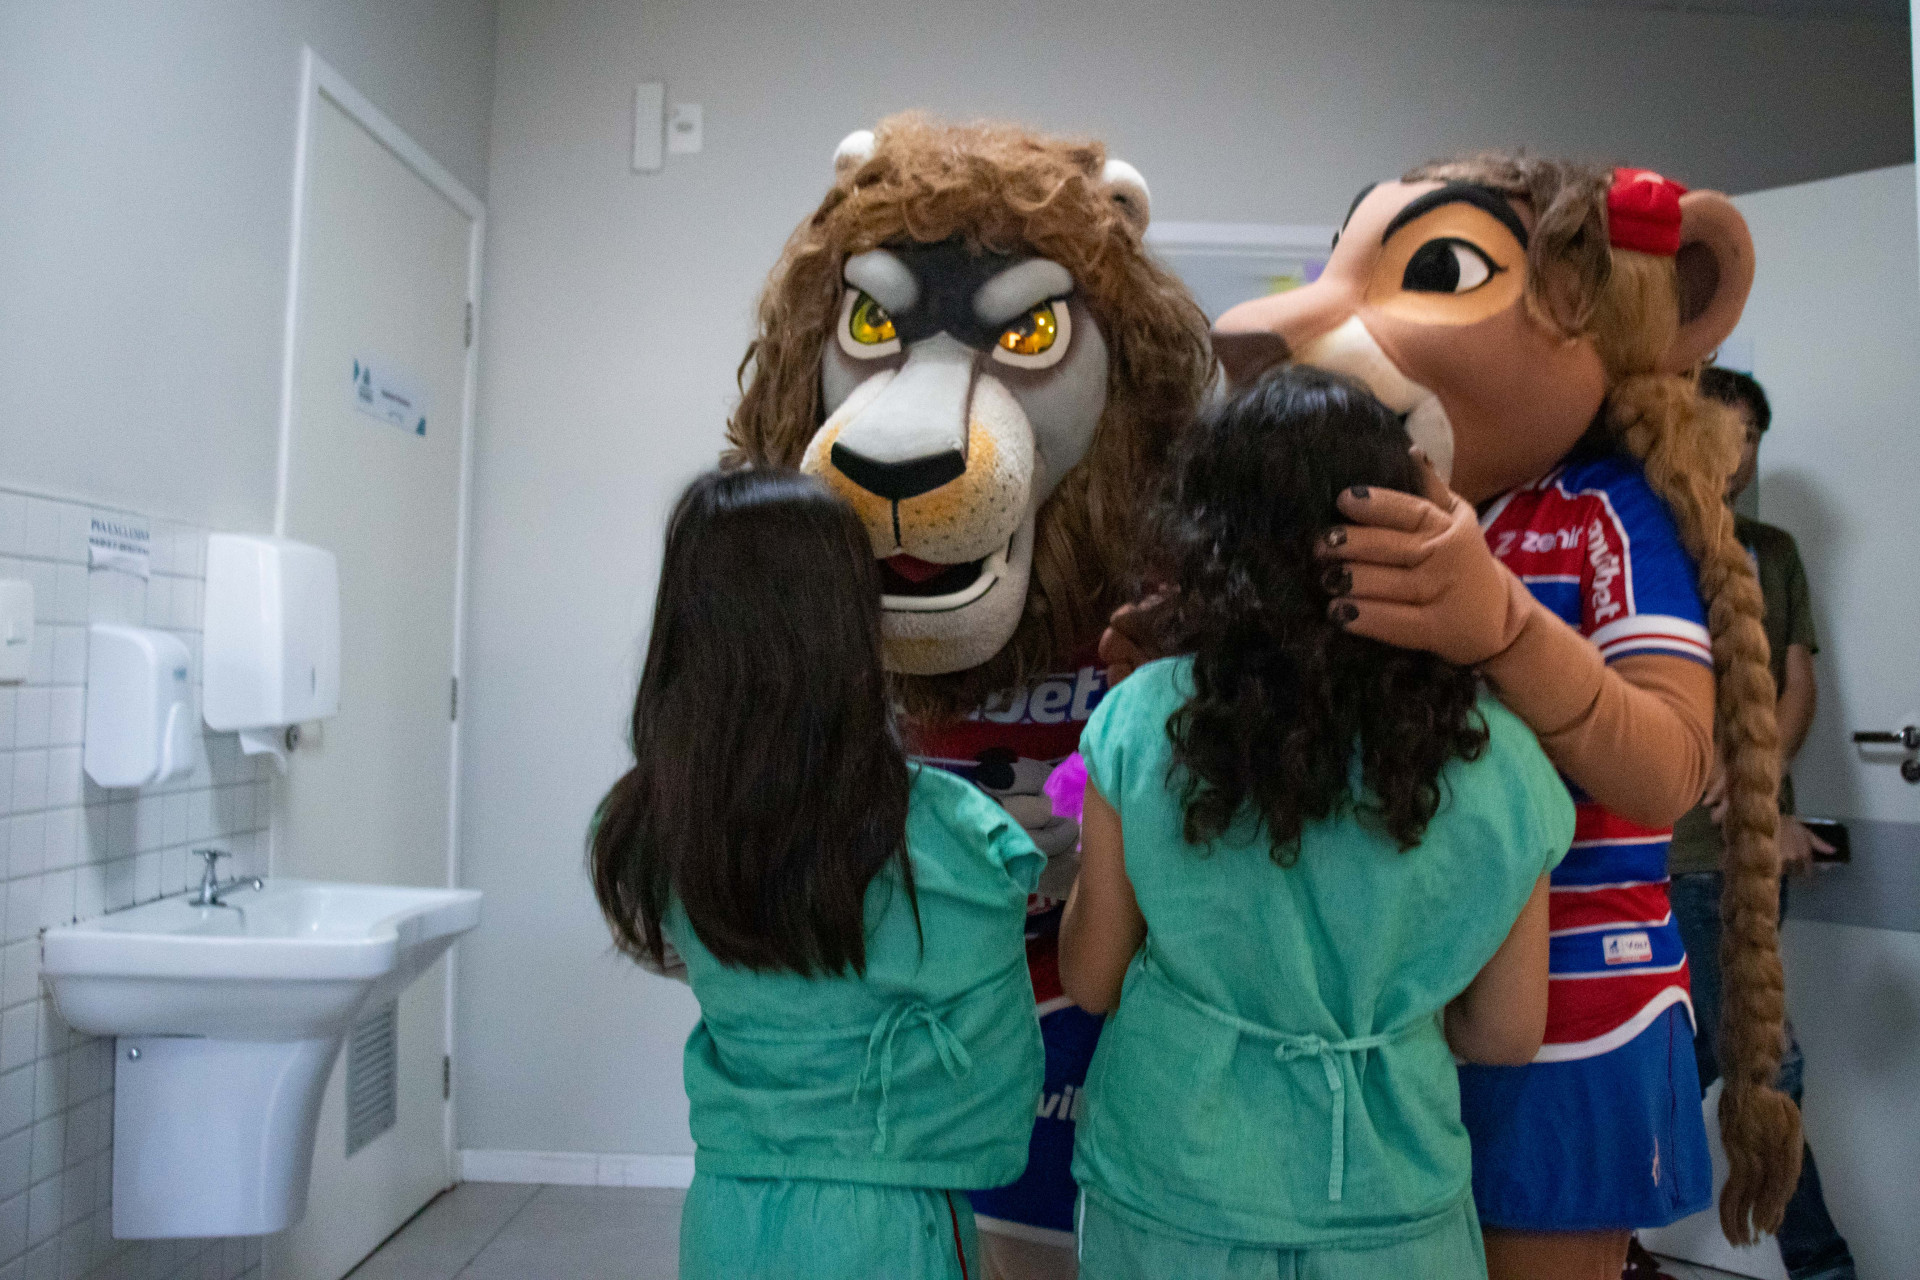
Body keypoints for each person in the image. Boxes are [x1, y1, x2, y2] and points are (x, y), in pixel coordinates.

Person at [1058, 369, 1574, 1279]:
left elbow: (1092, 980)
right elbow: (1505, 1034)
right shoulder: (1503, 761)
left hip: (1172, 1189)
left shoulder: (1141, 722)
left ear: (1210, 537)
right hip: (1393, 1203)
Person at [588, 468, 1046, 1280]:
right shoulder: (946, 832)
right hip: (892, 1222)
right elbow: (997, 1034)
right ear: (850, 624)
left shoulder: (653, 819)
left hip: (730, 1213)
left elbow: (678, 951)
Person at [1654, 368, 1857, 1280]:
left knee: (1751, 1062)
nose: (1734, 460)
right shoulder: (1648, 540)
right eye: (1721, 434)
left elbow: (1794, 681)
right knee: (1732, 1062)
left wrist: (1761, 770)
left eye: (1750, 442)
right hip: (1673, 854)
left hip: (1749, 855)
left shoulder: (1771, 551)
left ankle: (1597, 1238)